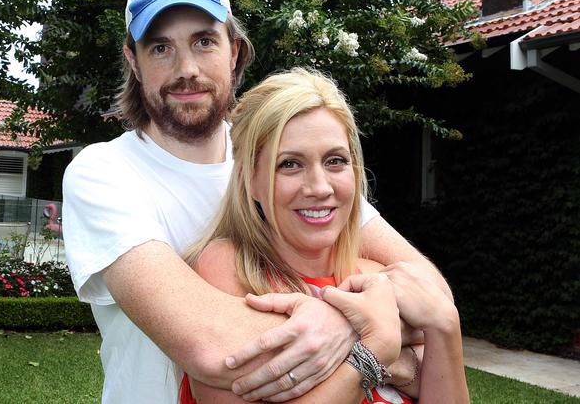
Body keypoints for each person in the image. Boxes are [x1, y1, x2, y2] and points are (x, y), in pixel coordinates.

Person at [63, 0, 456, 404]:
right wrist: (376, 339)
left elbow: (431, 295)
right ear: (133, 62)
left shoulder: (281, 154)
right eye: (160, 48)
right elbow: (211, 346)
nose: (186, 68)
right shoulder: (105, 173)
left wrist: (381, 334)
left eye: (204, 41)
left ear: (234, 51)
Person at [183, 68, 469, 403]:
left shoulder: (382, 278)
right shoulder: (230, 271)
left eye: (335, 161)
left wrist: (446, 325)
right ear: (251, 180)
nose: (320, 187)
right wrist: (375, 350)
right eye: (290, 164)